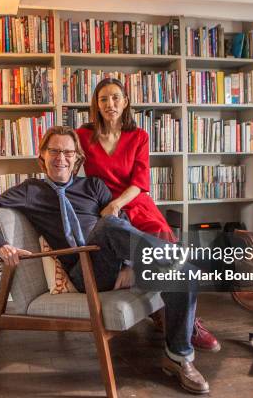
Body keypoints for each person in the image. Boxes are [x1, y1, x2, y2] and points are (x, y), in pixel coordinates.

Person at [0, 126, 210, 394]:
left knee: (183, 274)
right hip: (84, 273)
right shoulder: (31, 190)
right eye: (54, 151)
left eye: (68, 152)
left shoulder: (93, 186)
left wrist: (130, 267)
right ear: (42, 157)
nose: (61, 157)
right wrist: (1, 246)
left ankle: (179, 357)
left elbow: (124, 224)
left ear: (77, 159)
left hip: (118, 264)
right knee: (106, 226)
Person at [75, 78, 220, 353]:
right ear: (96, 104)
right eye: (103, 99)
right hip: (102, 203)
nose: (110, 104)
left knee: (161, 234)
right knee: (116, 234)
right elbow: (63, 158)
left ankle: (185, 320)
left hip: (133, 199)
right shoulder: (83, 135)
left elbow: (140, 181)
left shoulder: (138, 135)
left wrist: (118, 203)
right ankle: (163, 311)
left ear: (126, 101)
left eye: (116, 97)